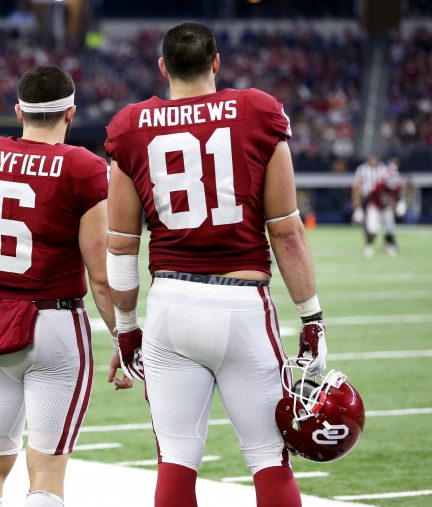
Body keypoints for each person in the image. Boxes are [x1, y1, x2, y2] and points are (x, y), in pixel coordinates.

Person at [105, 22, 327, 507]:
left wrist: (125, 330)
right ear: (217, 62)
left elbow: (120, 246)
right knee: (269, 456)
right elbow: (286, 230)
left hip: (170, 305)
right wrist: (312, 319)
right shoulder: (258, 111)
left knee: (177, 458)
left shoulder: (130, 127)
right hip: (242, 303)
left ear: (163, 68)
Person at [0, 65, 119, 507]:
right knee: (47, 468)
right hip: (55, 326)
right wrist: (125, 336)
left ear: (19, 111)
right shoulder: (82, 166)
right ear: (71, 114)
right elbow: (100, 274)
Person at [352, 155, 405, 257]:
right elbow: (368, 197)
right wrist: (358, 208)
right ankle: (368, 246)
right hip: (374, 206)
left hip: (386, 207)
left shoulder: (397, 187)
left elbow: (399, 195)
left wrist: (401, 204)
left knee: (390, 228)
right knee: (372, 228)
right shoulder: (378, 186)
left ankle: (389, 245)